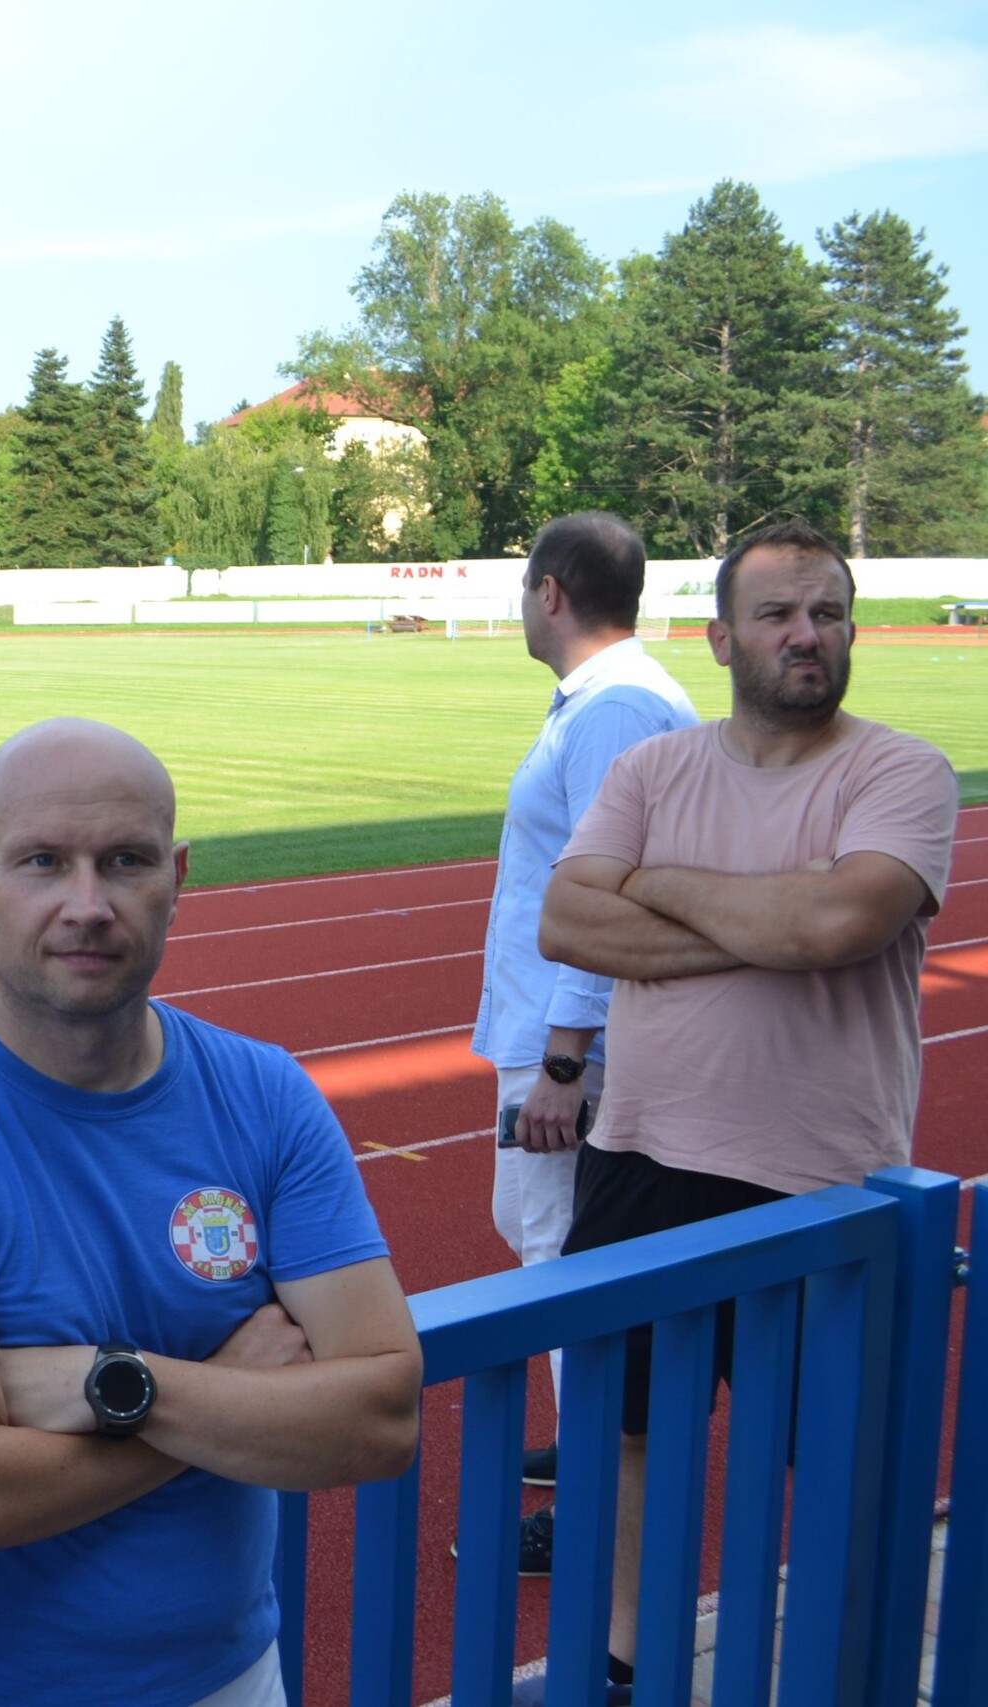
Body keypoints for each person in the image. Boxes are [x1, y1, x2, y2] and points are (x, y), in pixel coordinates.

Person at [0, 718, 421, 1707]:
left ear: (173, 877)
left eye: (124, 862)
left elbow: (382, 1419)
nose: (85, 905)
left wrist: (107, 1385)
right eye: (43, 862)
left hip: (228, 1679)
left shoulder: (266, 1095)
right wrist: (223, 1393)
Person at [540, 518, 959, 1696]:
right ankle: (626, 1661)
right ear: (721, 638)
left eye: (827, 613)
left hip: (818, 1174)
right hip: (639, 1152)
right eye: (776, 614)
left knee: (823, 1451)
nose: (805, 635)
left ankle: (835, 1662)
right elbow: (568, 923)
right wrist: (767, 925)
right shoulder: (650, 768)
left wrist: (660, 887)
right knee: (621, 1436)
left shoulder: (898, 772)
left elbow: (837, 926)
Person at [468, 511, 696, 1567]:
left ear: (550, 592)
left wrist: (564, 1062)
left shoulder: (617, 710)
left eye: (524, 588)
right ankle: (591, 1451)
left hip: (575, 1047)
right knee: (545, 1239)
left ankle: (600, 1511)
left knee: (562, 1252)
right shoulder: (608, 703)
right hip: (557, 1032)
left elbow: (604, 897)